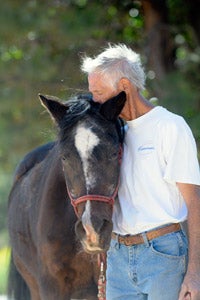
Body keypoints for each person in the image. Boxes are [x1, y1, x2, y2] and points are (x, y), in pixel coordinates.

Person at [80, 43, 200, 300]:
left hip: (163, 255)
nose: (94, 101)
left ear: (124, 86)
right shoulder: (111, 133)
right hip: (119, 257)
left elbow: (194, 203)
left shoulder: (170, 127)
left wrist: (194, 274)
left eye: (99, 93)